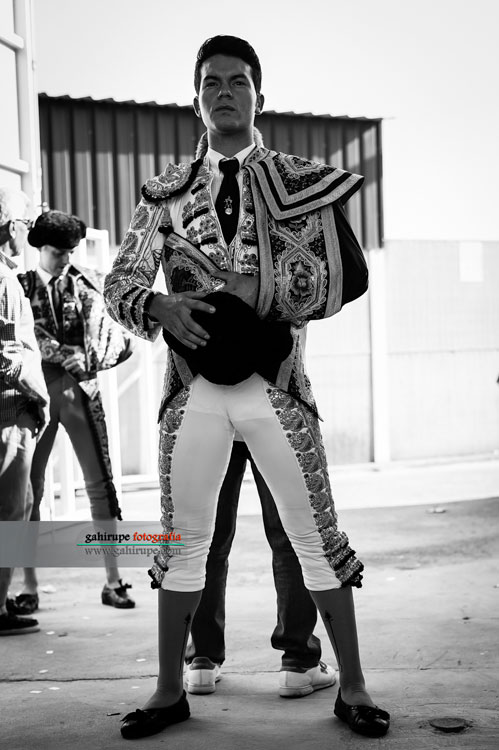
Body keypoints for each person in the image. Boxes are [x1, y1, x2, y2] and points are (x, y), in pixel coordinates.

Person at [105, 35, 390, 739]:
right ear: (196, 98)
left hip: (276, 381)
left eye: (237, 81)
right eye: (212, 82)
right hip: (193, 387)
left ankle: (352, 686)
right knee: (185, 540)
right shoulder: (164, 192)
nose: (224, 92)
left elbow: (347, 278)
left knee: (312, 534)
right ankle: (170, 689)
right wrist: (158, 304)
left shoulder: (299, 180)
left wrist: (260, 287)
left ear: (259, 96)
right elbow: (120, 283)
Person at [15, 209, 135, 612]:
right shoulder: (19, 287)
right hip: (36, 395)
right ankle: (29, 585)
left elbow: (122, 338)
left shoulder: (91, 283)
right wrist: (54, 351)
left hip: (82, 390)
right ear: (40, 249)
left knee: (100, 485)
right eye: (56, 253)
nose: (65, 260)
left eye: (69, 252)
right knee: (29, 489)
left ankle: (113, 580)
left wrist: (90, 355)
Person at [185, 439, 334, 698]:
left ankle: (203, 659)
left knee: (207, 541)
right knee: (290, 538)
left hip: (211, 421)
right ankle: (298, 663)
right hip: (271, 418)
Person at [0, 187, 49, 635]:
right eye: (26, 225)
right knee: (11, 511)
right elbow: (7, 355)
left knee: (20, 506)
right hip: (9, 409)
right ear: (11, 227)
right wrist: (39, 396)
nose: (28, 235)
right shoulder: (2, 280)